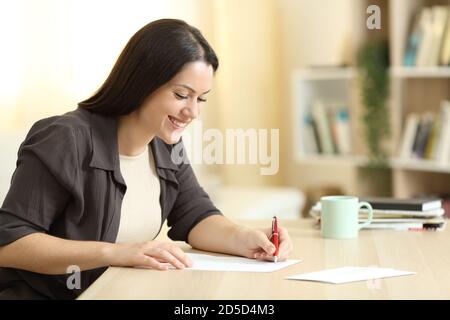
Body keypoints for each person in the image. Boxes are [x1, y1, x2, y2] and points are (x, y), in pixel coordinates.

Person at [0, 19, 293, 299]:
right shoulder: (65, 139)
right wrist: (114, 252)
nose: (193, 112)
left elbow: (195, 214)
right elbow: (10, 242)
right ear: (143, 83)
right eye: (181, 95)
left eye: (201, 99)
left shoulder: (165, 144)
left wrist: (247, 238)